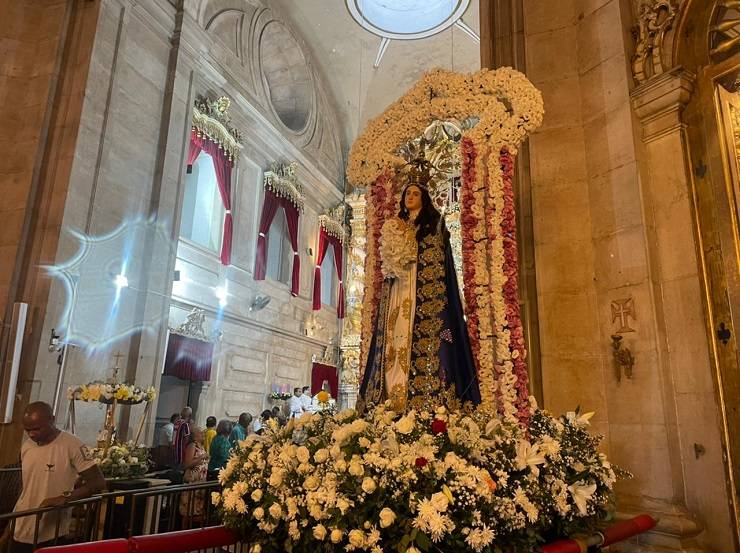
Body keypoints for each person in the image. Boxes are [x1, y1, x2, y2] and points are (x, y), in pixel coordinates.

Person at [358, 165, 481, 413]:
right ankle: (390, 395)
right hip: (398, 289)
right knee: (395, 333)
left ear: (424, 198)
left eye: (415, 193)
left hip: (421, 290)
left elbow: (439, 262)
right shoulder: (395, 226)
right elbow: (388, 263)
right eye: (407, 194)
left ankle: (422, 399)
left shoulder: (434, 225)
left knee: (416, 333)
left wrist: (414, 252)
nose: (410, 198)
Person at [9, 402, 106, 553]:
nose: (32, 434)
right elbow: (28, 482)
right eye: (27, 430)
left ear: (52, 420)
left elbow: (98, 482)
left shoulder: (72, 444)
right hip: (22, 520)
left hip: (52, 529)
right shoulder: (27, 445)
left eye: (37, 428)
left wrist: (65, 497)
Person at [179, 427, 208, 525]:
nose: (203, 435)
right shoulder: (192, 446)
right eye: (201, 433)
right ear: (195, 436)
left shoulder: (201, 446)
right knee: (188, 510)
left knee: (197, 510)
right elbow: (187, 464)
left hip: (200, 481)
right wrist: (201, 458)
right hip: (192, 481)